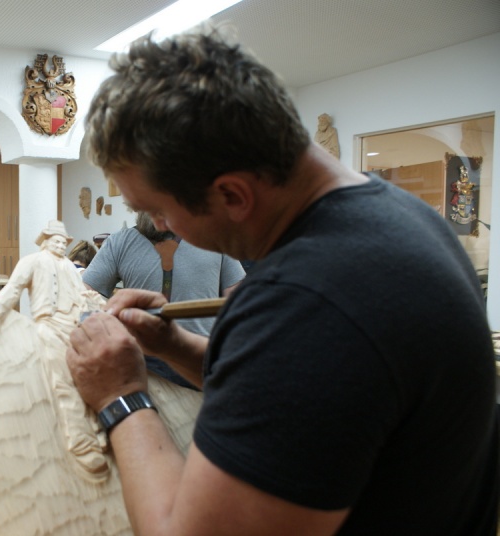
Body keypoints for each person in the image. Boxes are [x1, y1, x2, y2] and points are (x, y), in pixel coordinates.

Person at [67, 25, 498, 535]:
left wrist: (121, 394)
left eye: (159, 211)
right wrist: (174, 345)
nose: (160, 226)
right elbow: (303, 398)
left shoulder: (307, 306)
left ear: (232, 195)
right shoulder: (403, 216)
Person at [0, 220, 109, 480]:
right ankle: (81, 443)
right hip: (50, 326)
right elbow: (12, 290)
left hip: (75, 327)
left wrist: (100, 304)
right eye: (55, 239)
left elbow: (83, 296)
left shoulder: (70, 268)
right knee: (64, 383)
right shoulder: (32, 262)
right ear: (44, 241)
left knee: (86, 377)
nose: (60, 244)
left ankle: (95, 430)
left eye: (63, 241)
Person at [83, 210, 245, 388]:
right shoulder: (119, 242)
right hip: (144, 367)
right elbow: (84, 295)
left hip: (201, 360)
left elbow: (239, 304)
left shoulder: (216, 237)